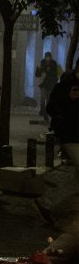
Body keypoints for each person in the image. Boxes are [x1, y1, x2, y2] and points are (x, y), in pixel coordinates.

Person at [44, 59, 79, 216]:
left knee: (76, 180)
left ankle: (45, 203)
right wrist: (69, 100)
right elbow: (51, 108)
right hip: (71, 136)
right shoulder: (65, 85)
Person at [35, 52, 62, 120]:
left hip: (50, 84)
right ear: (45, 57)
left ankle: (45, 113)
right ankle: (43, 110)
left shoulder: (54, 63)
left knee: (48, 100)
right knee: (43, 99)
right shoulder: (42, 63)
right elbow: (37, 74)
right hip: (43, 84)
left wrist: (56, 80)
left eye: (49, 57)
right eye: (47, 57)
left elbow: (57, 73)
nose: (48, 58)